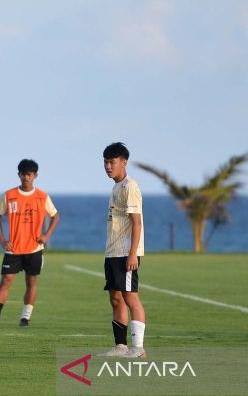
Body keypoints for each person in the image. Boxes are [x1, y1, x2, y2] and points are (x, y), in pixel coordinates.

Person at [0, 159, 59, 328]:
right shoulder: (10, 195)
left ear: (35, 176)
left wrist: (46, 236)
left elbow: (55, 216)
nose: (26, 177)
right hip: (13, 249)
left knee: (31, 282)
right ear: (18, 175)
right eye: (23, 174)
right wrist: (3, 239)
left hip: (34, 249)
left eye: (29, 174)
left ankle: (25, 318)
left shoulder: (42, 196)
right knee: (6, 281)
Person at [101, 142, 147, 359]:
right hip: (112, 253)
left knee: (131, 297)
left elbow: (136, 223)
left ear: (124, 162)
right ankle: (120, 346)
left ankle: (138, 349)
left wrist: (132, 254)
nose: (108, 166)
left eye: (112, 162)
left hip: (125, 253)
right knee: (115, 298)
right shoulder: (116, 187)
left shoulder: (130, 187)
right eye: (106, 162)